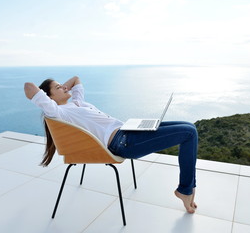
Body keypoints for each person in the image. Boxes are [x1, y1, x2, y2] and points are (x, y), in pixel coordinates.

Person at [24, 76, 198, 213]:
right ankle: (186, 189)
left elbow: (76, 79)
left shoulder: (77, 103)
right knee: (189, 133)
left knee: (189, 126)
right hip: (123, 143)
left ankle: (188, 187)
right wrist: (49, 98)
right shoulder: (58, 112)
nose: (63, 86)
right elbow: (29, 87)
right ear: (49, 98)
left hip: (127, 130)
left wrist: (61, 88)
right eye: (57, 88)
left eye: (62, 85)